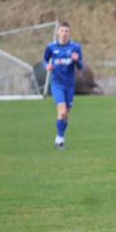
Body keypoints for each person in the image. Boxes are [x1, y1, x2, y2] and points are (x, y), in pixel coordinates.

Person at [43, 20, 83, 150]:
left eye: (66, 31)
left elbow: (80, 66)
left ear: (69, 33)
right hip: (57, 84)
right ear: (57, 32)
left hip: (69, 85)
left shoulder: (75, 47)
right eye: (62, 31)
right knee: (62, 111)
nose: (64, 33)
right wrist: (47, 66)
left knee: (66, 115)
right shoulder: (51, 47)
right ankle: (59, 139)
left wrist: (77, 61)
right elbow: (44, 59)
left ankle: (60, 137)